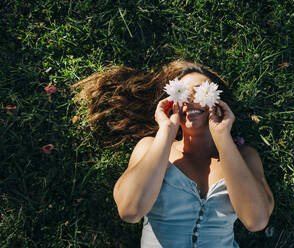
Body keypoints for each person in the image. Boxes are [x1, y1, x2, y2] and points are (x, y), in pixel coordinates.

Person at [73, 60, 274, 247]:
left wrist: (223, 137)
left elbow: (256, 221)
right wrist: (166, 131)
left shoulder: (245, 157)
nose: (190, 101)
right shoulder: (150, 147)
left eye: (200, 92)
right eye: (182, 94)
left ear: (218, 100)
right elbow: (130, 210)